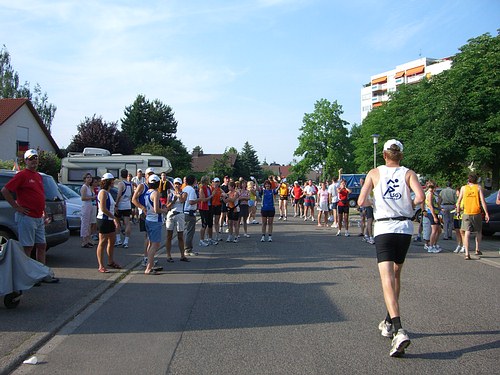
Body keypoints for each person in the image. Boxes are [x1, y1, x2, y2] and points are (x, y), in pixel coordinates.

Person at [357, 139, 424, 358]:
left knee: (386, 278)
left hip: (384, 226)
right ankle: (387, 321)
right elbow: (420, 197)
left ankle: (398, 329)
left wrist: (376, 203)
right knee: (396, 274)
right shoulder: (408, 173)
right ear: (401, 156)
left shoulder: (374, 173)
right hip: (404, 227)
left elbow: (361, 200)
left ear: (385, 155)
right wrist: (407, 204)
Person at [1, 149, 59, 283]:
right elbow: (5, 190)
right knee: (27, 247)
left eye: (36, 158)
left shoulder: (38, 176)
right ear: (26, 161)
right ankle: (27, 276)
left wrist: (44, 213)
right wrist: (16, 207)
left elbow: (40, 196)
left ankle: (42, 273)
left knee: (42, 245)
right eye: (31, 158)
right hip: (27, 217)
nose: (34, 161)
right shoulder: (22, 175)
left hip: (38, 217)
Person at [456, 173, 490, 260]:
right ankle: (477, 249)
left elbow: (459, 201)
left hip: (467, 212)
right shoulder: (478, 188)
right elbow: (483, 201)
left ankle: (467, 253)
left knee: (467, 232)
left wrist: (458, 211)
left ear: (468, 180)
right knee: (478, 231)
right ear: (476, 180)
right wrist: (486, 213)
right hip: (476, 212)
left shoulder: (463, 188)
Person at [95, 173, 121, 273]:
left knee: (112, 240)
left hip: (109, 220)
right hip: (103, 220)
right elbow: (103, 208)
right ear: (108, 181)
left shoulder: (108, 192)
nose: (113, 182)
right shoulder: (103, 193)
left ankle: (110, 261)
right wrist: (114, 217)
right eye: (112, 180)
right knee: (102, 242)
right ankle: (101, 265)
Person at [143, 174, 169, 274]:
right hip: (155, 220)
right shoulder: (156, 193)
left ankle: (150, 263)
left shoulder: (147, 192)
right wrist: (164, 210)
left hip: (148, 219)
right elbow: (156, 209)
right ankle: (149, 267)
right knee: (155, 244)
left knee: (151, 242)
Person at [132, 167, 156, 266]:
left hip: (152, 215)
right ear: (145, 175)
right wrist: (142, 208)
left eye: (152, 174)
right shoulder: (142, 186)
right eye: (148, 174)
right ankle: (146, 258)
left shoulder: (153, 187)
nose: (150, 176)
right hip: (144, 214)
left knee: (152, 237)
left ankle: (150, 258)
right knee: (147, 236)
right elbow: (133, 199)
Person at [165, 177, 190, 262]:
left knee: (180, 236)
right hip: (171, 214)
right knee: (169, 235)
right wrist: (173, 201)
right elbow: (167, 206)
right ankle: (168, 255)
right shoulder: (170, 193)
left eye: (179, 184)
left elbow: (183, 200)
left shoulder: (184, 193)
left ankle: (182, 255)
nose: (177, 185)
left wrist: (178, 196)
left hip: (180, 214)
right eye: (176, 183)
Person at [114, 169, 133, 248]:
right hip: (127, 205)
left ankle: (118, 240)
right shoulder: (130, 184)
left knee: (117, 222)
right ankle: (126, 241)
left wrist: (116, 205)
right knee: (127, 223)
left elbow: (119, 195)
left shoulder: (121, 183)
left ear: (121, 175)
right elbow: (131, 194)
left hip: (121, 205)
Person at [182, 175, 199, 256]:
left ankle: (187, 248)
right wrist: (199, 200)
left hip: (185, 212)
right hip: (190, 212)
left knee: (187, 231)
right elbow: (191, 201)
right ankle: (188, 249)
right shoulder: (191, 190)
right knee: (190, 231)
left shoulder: (185, 188)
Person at [198, 175, 216, 246]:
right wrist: (212, 195)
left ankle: (210, 238)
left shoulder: (208, 188)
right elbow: (204, 199)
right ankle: (201, 240)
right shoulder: (201, 188)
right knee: (204, 224)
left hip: (209, 207)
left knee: (210, 224)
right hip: (204, 208)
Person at [425, 180, 442, 253]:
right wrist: (434, 216)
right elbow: (430, 206)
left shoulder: (433, 193)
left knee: (439, 230)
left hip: (435, 212)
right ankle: (431, 246)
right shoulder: (429, 194)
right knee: (434, 230)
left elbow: (437, 203)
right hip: (432, 213)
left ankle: (434, 244)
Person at [80, 172, 96, 248]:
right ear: (85, 179)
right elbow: (83, 198)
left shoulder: (89, 187)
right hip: (86, 206)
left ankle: (88, 239)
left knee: (89, 223)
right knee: (85, 223)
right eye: (88, 177)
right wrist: (92, 198)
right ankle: (84, 241)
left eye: (90, 177)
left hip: (90, 205)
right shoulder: (84, 187)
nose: (89, 178)